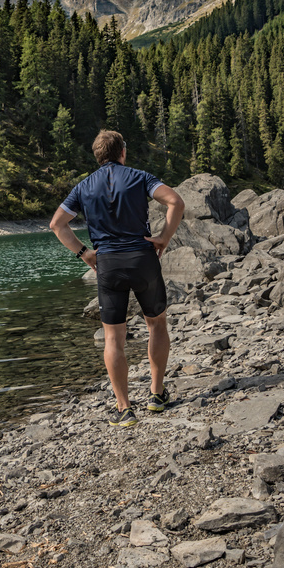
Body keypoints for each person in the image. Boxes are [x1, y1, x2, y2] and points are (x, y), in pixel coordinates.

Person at [49, 129, 184, 428]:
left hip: (108, 263)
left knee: (113, 337)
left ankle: (124, 409)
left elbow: (57, 224)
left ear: (98, 156)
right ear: (122, 152)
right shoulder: (140, 177)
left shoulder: (83, 187)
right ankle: (156, 394)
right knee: (156, 323)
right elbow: (176, 202)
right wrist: (163, 237)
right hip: (142, 258)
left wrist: (84, 252)